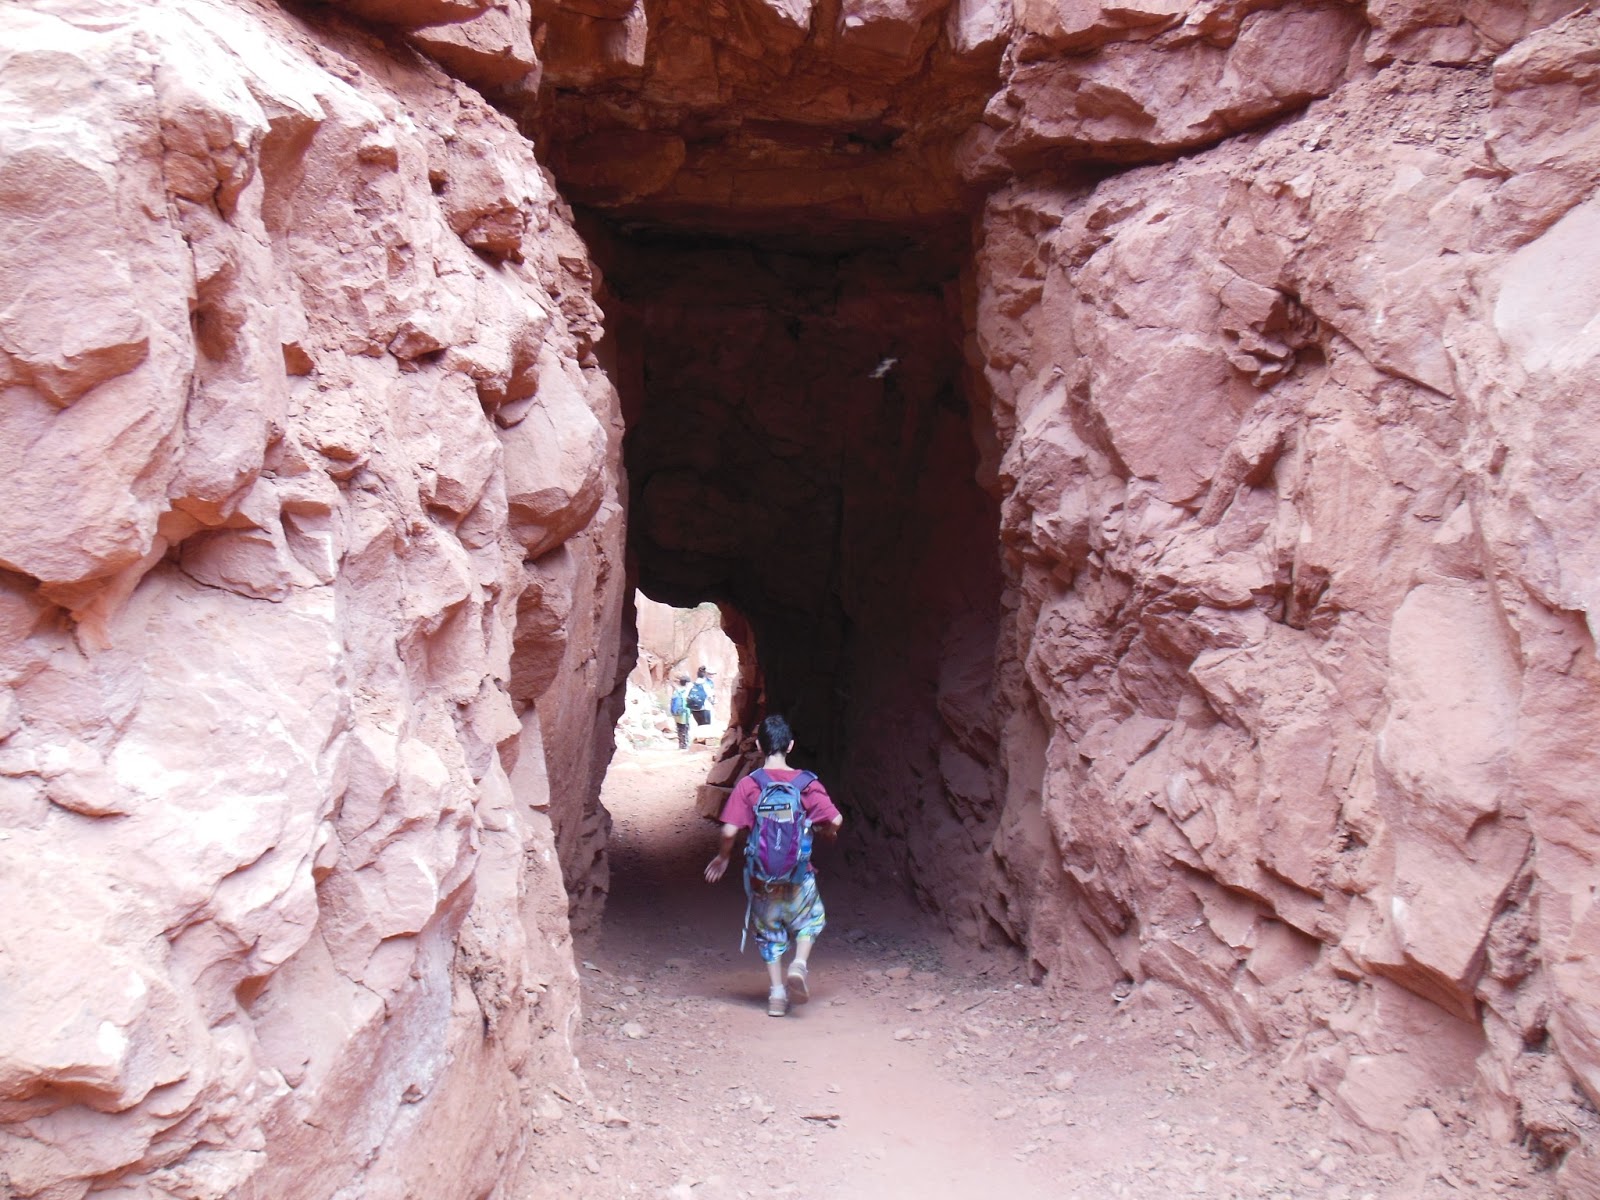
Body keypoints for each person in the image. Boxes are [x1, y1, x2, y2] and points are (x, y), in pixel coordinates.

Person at [704, 714, 843, 1016]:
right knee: (810, 920)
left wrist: (723, 857)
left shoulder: (749, 785)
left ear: (758, 744)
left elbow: (729, 830)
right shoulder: (807, 784)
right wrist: (827, 833)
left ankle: (777, 995)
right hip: (798, 875)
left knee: (768, 933)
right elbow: (834, 820)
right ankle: (799, 964)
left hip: (762, 877)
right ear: (790, 745)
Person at [670, 675, 692, 750]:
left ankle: (681, 744)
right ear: (686, 683)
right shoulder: (685, 692)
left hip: (677, 714)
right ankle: (684, 745)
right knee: (685, 729)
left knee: (679, 728)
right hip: (684, 713)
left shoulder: (676, 692)